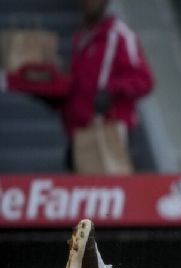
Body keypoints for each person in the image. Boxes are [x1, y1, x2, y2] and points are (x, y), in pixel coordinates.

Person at [2, 0, 153, 171]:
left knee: (110, 190)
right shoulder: (81, 37)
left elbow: (144, 80)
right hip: (78, 136)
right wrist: (50, 95)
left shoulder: (120, 35)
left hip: (109, 135)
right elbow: (77, 88)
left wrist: (111, 91)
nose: (88, 3)